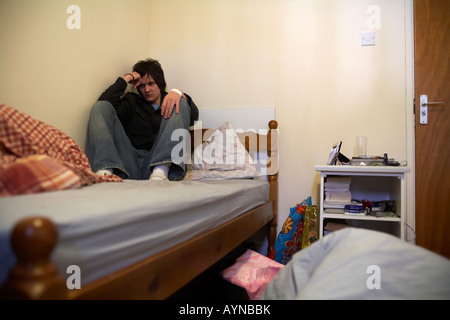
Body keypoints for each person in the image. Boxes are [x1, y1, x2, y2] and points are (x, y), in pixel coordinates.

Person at [85, 58, 199, 181]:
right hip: (129, 162)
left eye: (151, 84)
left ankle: (161, 169)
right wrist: (126, 79)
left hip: (156, 163)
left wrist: (177, 93)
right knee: (100, 105)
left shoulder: (169, 99)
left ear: (160, 84)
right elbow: (103, 108)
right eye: (142, 85)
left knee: (179, 102)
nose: (147, 90)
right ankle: (105, 171)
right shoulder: (131, 101)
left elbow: (193, 117)